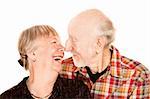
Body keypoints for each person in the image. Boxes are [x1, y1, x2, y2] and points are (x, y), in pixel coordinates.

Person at [60, 9, 150, 98]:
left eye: (75, 40)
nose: (67, 48)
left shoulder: (138, 77)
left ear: (99, 44)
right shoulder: (61, 69)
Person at [0, 25, 91, 99]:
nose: (62, 48)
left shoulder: (76, 91)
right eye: (54, 42)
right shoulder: (9, 97)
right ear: (32, 53)